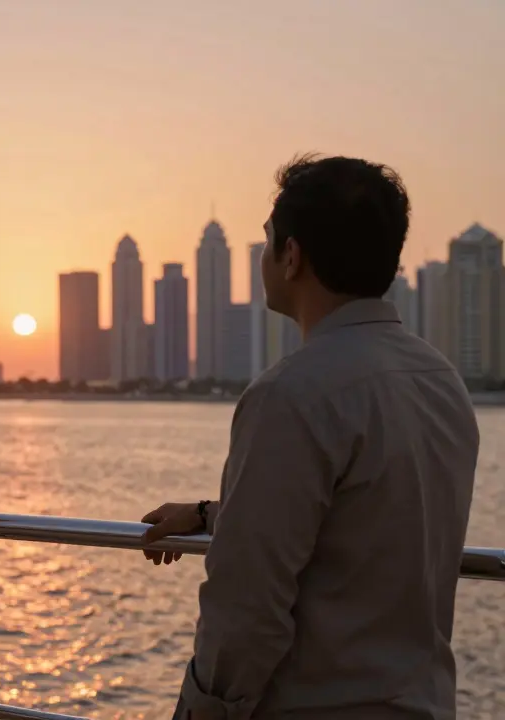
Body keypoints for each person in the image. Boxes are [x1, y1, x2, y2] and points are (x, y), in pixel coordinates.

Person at [140, 155, 478, 719]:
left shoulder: (292, 394)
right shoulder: (441, 381)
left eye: (267, 241)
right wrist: (208, 513)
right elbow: (361, 519)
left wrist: (202, 710)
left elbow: (247, 607)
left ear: (291, 256)